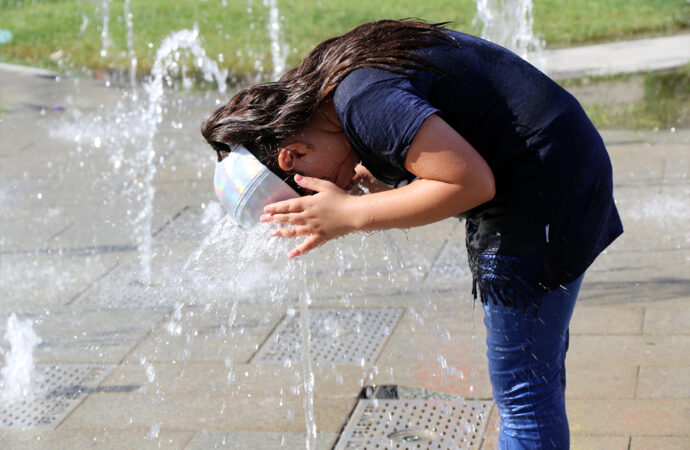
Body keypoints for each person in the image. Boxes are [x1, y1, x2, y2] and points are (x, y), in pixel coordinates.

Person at [201, 19, 623, 448]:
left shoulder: (364, 102)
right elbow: (446, 141)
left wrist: (351, 213)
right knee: (536, 368)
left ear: (293, 154)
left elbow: (471, 183)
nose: (337, 188)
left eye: (317, 188)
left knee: (523, 391)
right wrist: (374, 182)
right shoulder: (335, 82)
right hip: (560, 161)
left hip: (544, 188)